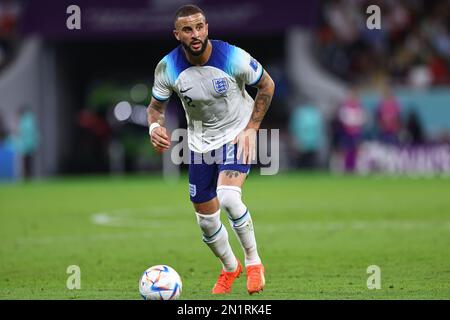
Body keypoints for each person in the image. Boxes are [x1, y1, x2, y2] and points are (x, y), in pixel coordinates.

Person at [146, 4, 275, 295]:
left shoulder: (233, 56)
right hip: (200, 145)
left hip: (236, 135)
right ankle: (230, 268)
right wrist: (155, 128)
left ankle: (254, 262)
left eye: (200, 27)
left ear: (207, 28)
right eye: (188, 29)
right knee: (206, 221)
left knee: (229, 197)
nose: (195, 34)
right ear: (177, 34)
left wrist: (251, 129)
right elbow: (155, 109)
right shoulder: (168, 68)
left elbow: (267, 86)